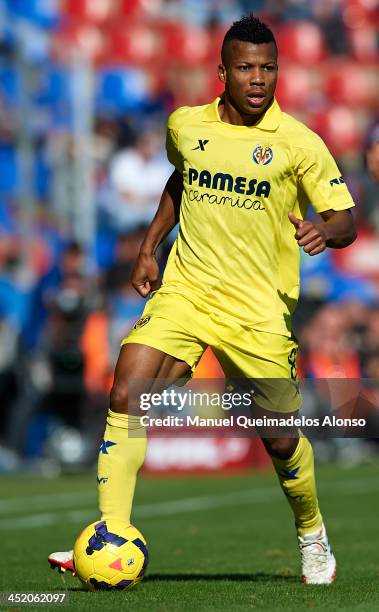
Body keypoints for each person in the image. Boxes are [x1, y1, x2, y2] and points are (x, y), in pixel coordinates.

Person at [48, 14, 356, 585]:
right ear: (222, 72)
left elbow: (346, 217)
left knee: (281, 437)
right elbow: (181, 180)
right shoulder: (186, 125)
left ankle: (312, 532)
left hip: (259, 310)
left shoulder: (298, 143)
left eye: (268, 68)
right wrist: (148, 248)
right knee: (128, 384)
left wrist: (325, 230)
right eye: (245, 67)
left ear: (279, 73)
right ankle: (111, 533)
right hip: (188, 288)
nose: (257, 78)